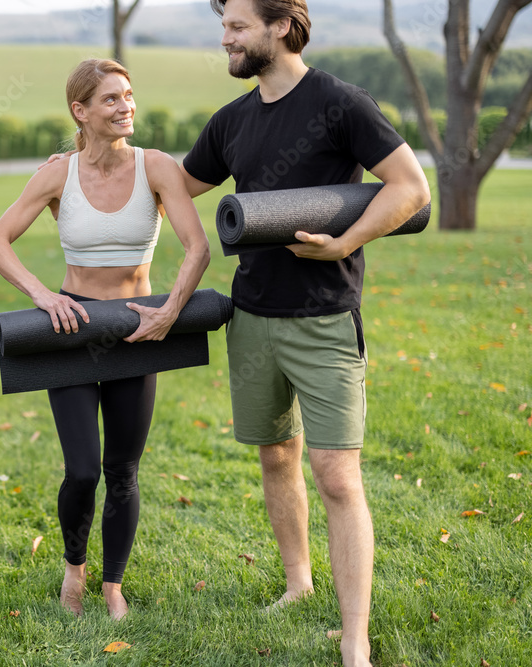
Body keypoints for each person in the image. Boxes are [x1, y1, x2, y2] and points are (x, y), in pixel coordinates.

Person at [180, 0, 430, 664]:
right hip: (252, 317)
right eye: (225, 26)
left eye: (237, 25)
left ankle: (354, 635)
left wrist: (344, 239)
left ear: (280, 26)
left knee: (337, 474)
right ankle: (297, 581)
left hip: (324, 317)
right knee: (275, 456)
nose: (225, 37)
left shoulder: (340, 102)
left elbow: (410, 188)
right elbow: (177, 184)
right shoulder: (230, 121)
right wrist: (88, 166)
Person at [0, 59, 211, 620]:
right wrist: (42, 295)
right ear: (80, 112)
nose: (125, 106)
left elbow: (198, 246)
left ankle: (112, 585)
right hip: (75, 329)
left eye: (129, 95)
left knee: (124, 470)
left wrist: (169, 313)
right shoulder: (57, 174)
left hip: (140, 327)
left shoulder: (156, 167)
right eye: (110, 99)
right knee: (82, 469)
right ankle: (73, 569)